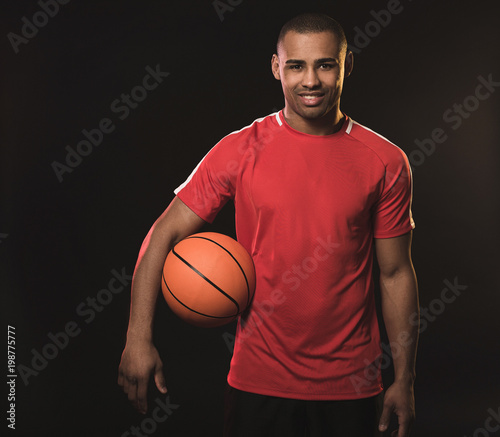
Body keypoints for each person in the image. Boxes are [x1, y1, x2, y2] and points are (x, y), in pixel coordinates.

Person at [118, 12, 419, 437]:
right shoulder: (239, 150)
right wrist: (137, 337)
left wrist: (404, 380)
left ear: (347, 65)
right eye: (296, 66)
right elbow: (163, 233)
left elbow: (394, 273)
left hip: (351, 384)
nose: (310, 80)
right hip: (259, 380)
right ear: (277, 67)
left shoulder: (386, 161)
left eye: (325, 64)